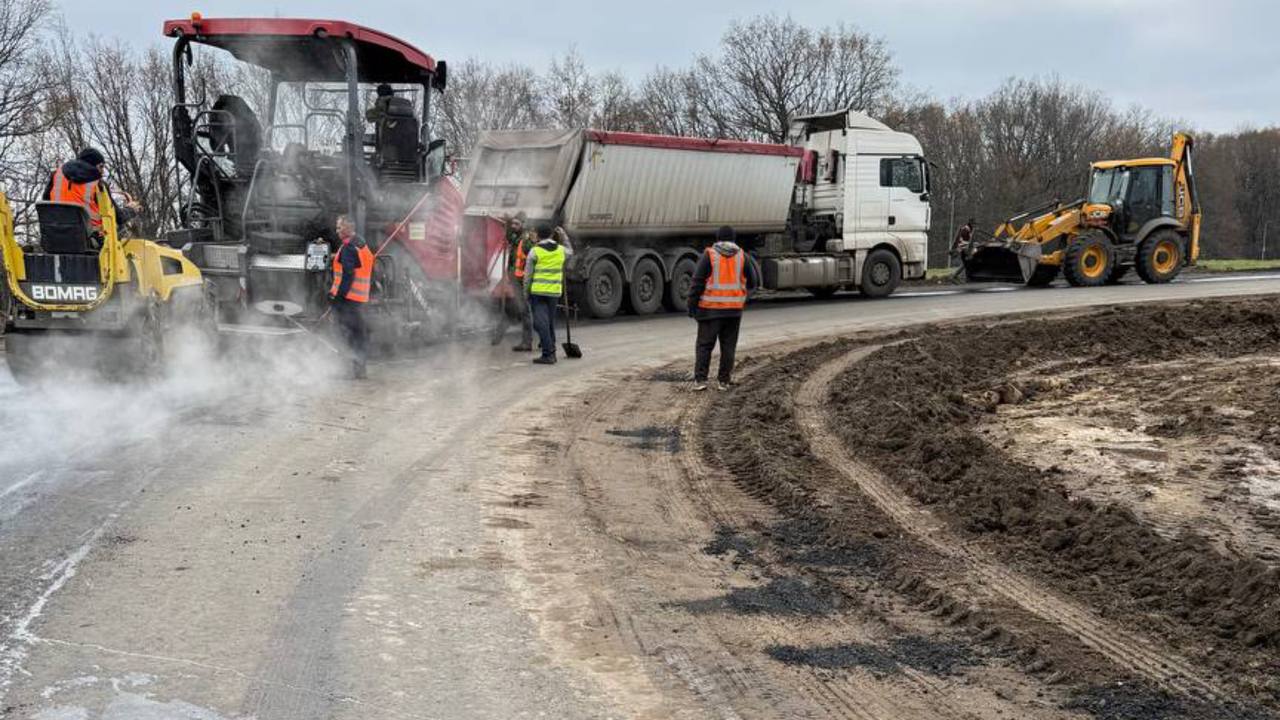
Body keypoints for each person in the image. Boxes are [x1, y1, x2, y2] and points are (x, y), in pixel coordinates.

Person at [687, 226, 759, 391]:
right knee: (728, 346)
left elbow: (697, 282)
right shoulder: (743, 256)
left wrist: (691, 306)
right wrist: (742, 298)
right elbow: (754, 283)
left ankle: (701, 380)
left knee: (705, 345)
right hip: (733, 311)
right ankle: (724, 381)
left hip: (710, 310)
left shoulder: (709, 255)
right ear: (734, 239)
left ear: (717, 238)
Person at [42, 148, 141, 235]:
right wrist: (131, 209)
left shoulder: (56, 175)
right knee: (121, 231)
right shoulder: (98, 185)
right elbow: (118, 218)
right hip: (90, 239)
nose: (103, 172)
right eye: (101, 166)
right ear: (92, 165)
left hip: (54, 236)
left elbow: (46, 205)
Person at [329, 214, 374, 379]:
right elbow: (359, 264)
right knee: (358, 334)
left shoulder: (348, 248)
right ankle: (359, 369)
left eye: (340, 227)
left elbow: (348, 275)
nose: (337, 230)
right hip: (359, 299)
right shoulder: (361, 243)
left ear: (349, 228)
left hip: (347, 300)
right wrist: (337, 256)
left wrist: (337, 299)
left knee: (346, 334)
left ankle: (348, 369)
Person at [523, 222, 572, 365]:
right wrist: (564, 236)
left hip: (538, 293)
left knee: (540, 324)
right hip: (554, 293)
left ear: (537, 234)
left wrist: (525, 293)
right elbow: (571, 251)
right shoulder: (561, 250)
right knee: (548, 322)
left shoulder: (535, 251)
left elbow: (528, 276)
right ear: (551, 234)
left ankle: (548, 354)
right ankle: (552, 349)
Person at [491, 211, 536, 350]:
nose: (514, 226)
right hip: (514, 279)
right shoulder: (517, 236)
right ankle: (498, 336)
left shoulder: (527, 240)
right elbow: (509, 236)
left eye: (517, 224)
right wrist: (507, 223)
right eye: (513, 223)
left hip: (523, 280)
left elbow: (533, 258)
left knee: (524, 311)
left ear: (523, 225)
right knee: (511, 308)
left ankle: (527, 342)